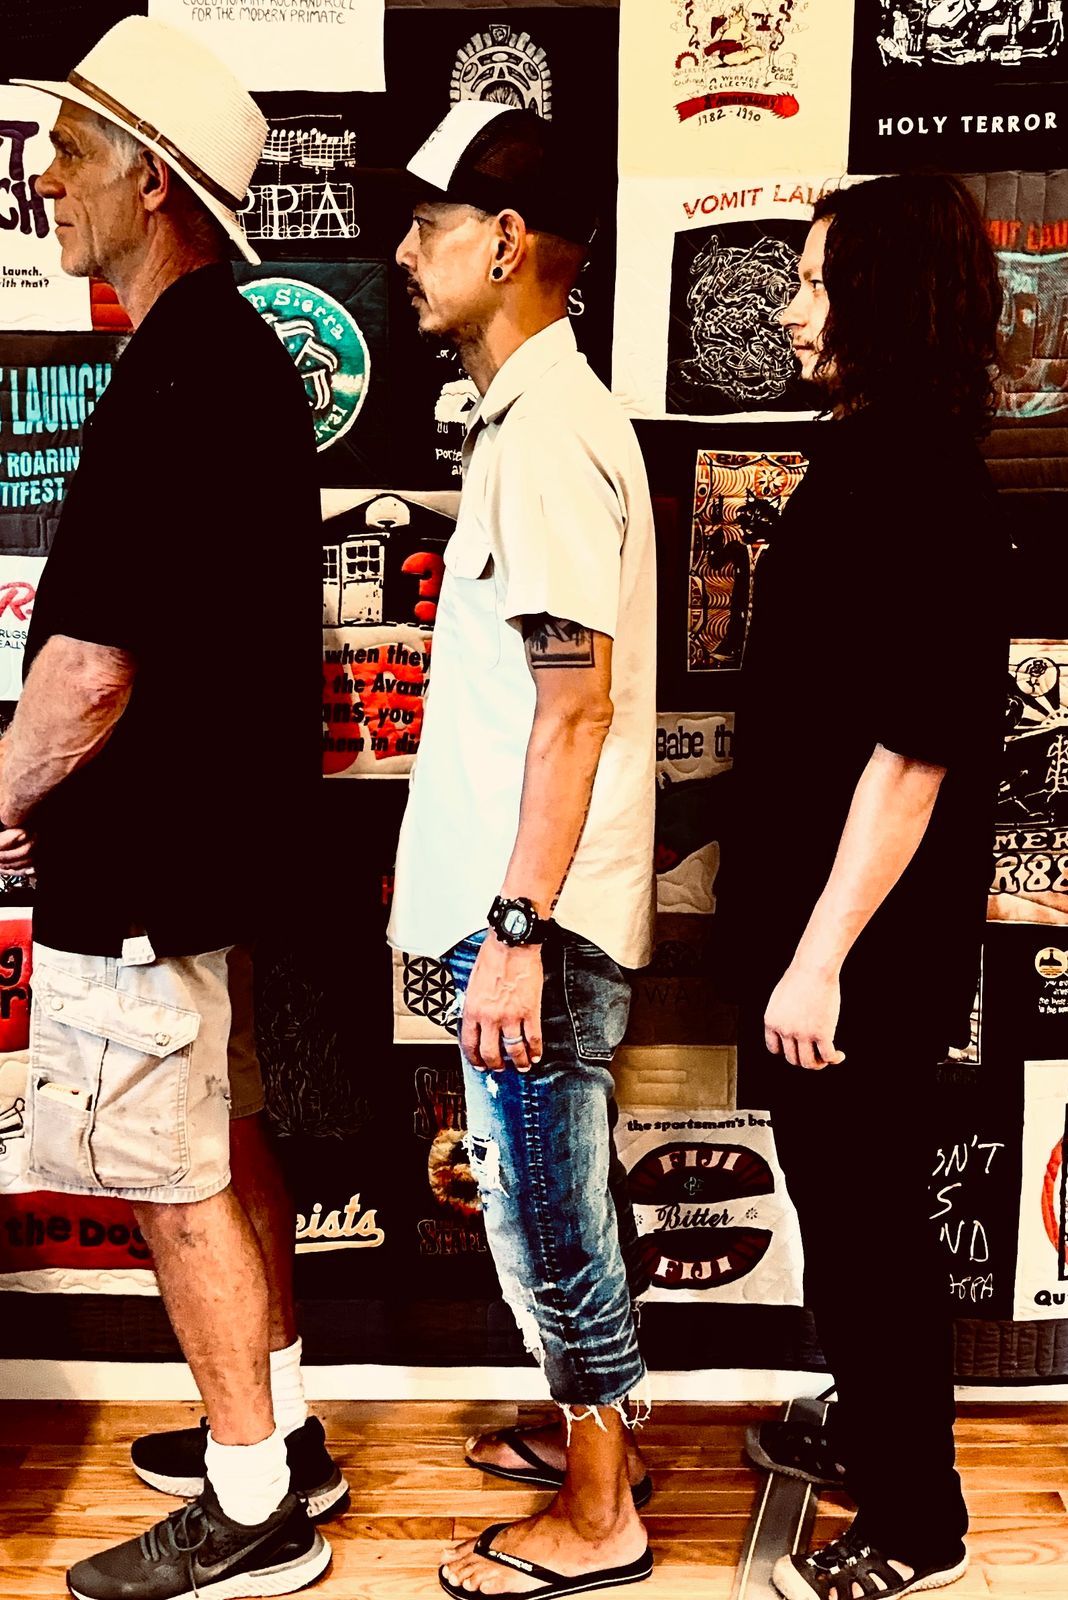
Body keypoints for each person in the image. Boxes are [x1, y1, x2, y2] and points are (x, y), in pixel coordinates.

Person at [2, 17, 336, 1600]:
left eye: (69, 149)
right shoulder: (230, 355)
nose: (42, 176)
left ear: (150, 177)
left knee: (174, 1180)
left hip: (152, 877)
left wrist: (5, 792)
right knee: (222, 1134)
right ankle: (283, 1433)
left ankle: (253, 1502)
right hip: (204, 867)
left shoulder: (182, 372)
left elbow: (89, 673)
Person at [722, 175, 1010, 1600]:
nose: (791, 309)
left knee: (871, 1230)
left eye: (817, 282)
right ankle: (869, 1421)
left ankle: (915, 1521)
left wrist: (820, 956)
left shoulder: (924, 481)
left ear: (886, 301)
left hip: (861, 953)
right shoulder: (874, 456)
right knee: (843, 1214)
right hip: (822, 932)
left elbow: (915, 752)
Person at [386, 103, 657, 1600]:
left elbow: (577, 705)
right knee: (550, 1193)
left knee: (546, 1210)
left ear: (503, 243)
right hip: (529, 903)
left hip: (535, 917)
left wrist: (514, 928)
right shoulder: (530, 419)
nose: (402, 251)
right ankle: (589, 1445)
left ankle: (603, 1512)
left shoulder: (549, 433)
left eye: (427, 227)